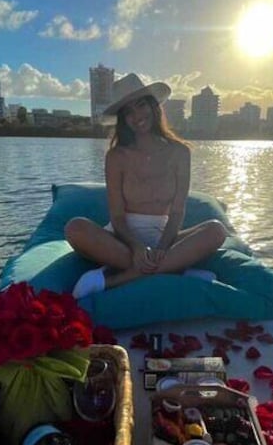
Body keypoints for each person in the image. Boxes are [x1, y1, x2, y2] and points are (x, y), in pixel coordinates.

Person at [66, 73, 227, 298]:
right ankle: (176, 270)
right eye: (128, 111)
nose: (136, 115)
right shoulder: (117, 156)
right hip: (123, 239)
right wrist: (136, 247)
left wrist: (162, 248)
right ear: (123, 119)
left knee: (216, 229)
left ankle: (113, 280)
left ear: (153, 107)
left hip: (165, 236)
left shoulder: (180, 152)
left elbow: (178, 211)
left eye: (141, 105)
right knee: (75, 227)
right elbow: (117, 216)